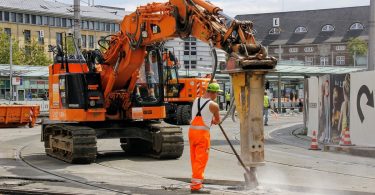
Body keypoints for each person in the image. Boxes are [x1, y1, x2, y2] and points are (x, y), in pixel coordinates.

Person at [189, 83, 221, 194]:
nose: (217, 95)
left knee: (194, 159)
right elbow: (217, 120)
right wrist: (213, 120)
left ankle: (195, 183)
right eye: (217, 93)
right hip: (202, 135)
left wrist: (208, 119)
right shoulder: (214, 105)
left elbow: (200, 115)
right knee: (201, 160)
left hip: (192, 133)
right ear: (214, 92)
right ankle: (196, 187)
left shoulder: (196, 100)